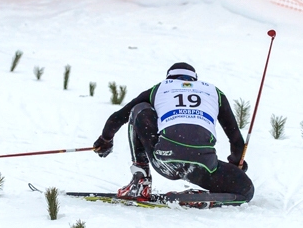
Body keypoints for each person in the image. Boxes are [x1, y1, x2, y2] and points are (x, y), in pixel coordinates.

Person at [92, 62, 254, 202]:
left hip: (166, 161)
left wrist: (105, 140)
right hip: (203, 167)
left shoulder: (161, 88)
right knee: (245, 189)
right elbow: (236, 139)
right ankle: (202, 198)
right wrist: (236, 164)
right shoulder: (213, 92)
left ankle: (141, 181)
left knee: (138, 109)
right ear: (195, 79)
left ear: (169, 78)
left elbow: (118, 117)